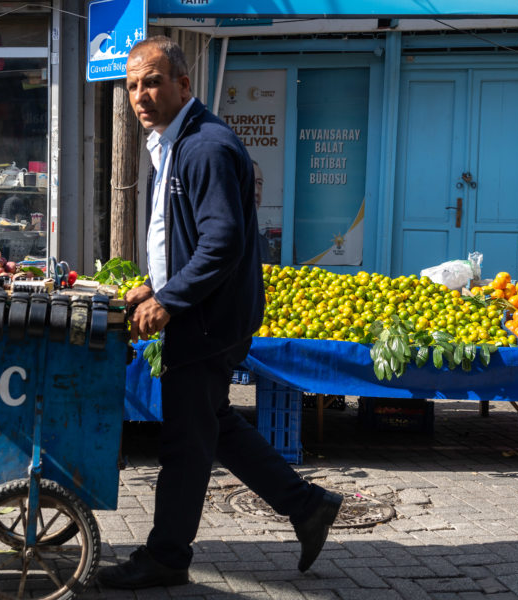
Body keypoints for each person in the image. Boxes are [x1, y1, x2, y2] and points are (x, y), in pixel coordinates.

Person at [97, 36, 342, 590]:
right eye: (133, 84)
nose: (141, 95)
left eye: (153, 81)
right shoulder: (176, 142)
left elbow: (222, 243)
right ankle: (306, 505)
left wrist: (170, 299)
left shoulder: (204, 146)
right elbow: (186, 238)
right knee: (214, 424)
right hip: (206, 311)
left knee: (185, 443)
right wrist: (150, 286)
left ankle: (166, 556)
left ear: (185, 85)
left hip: (207, 319)